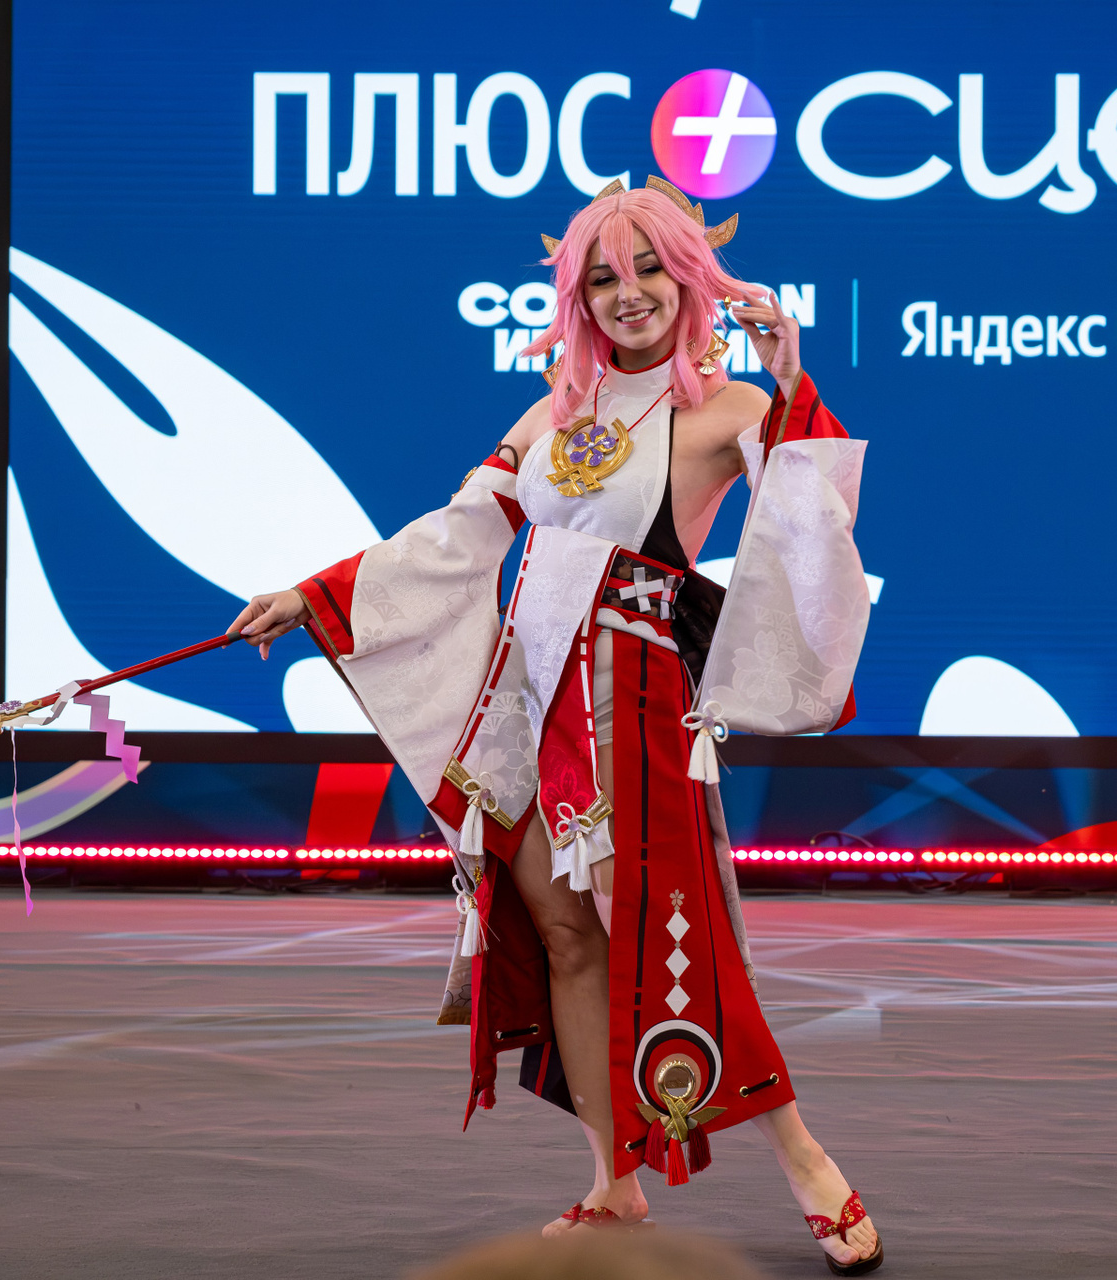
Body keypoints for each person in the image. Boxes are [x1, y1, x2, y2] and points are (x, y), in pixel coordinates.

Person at [231, 179, 880, 1275]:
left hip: (634, 702)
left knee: (678, 937)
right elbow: (457, 535)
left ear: (690, 279)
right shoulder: (549, 416)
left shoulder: (727, 410)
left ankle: (805, 1157)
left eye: (650, 270)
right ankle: (613, 1183)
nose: (630, 294)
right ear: (577, 299)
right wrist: (314, 595)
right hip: (526, 703)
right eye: (602, 278)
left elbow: (814, 525)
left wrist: (789, 383)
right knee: (569, 935)